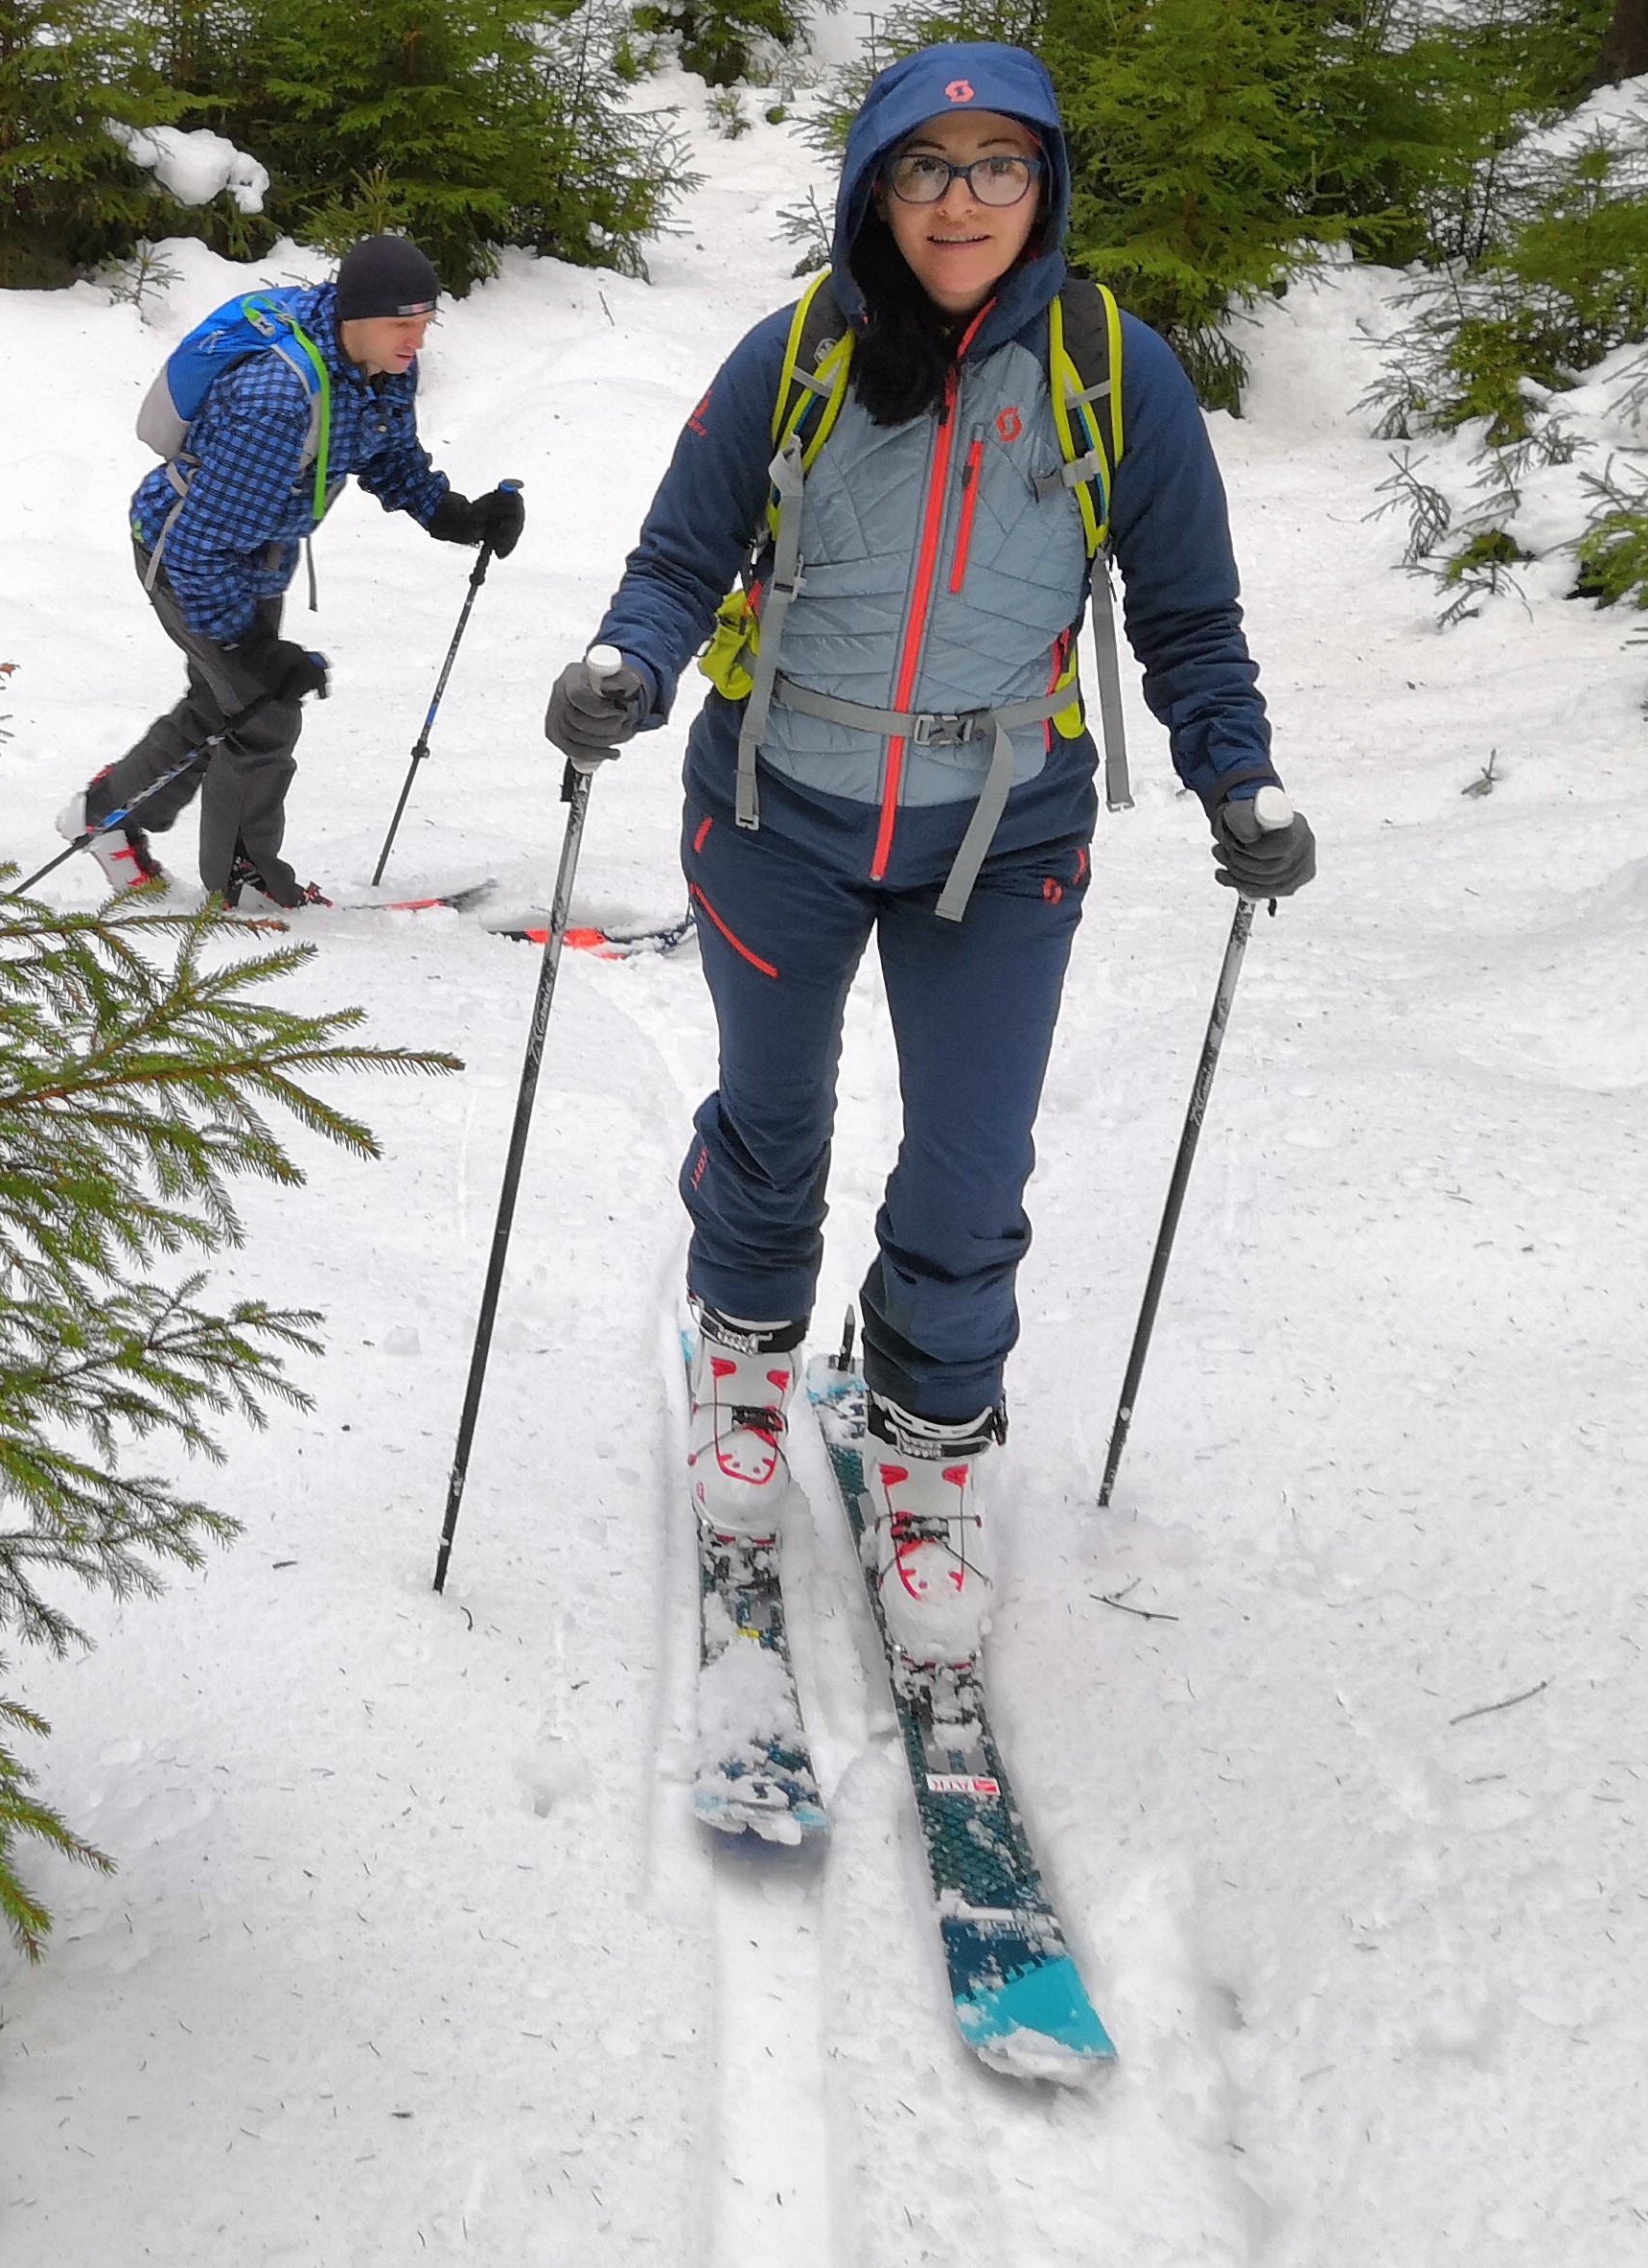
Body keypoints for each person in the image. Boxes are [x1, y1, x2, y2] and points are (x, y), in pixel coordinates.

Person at [544, 43, 1316, 1665]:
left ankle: (930, 1440)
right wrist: (629, 663)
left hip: (1004, 830)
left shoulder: (1113, 374)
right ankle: (744, 1357)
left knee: (970, 1169)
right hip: (774, 810)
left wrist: (1233, 777)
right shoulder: (795, 355)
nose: (958, 202)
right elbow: (679, 555)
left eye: (995, 167)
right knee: (771, 1123)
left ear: (1042, 187)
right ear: (872, 188)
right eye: (923, 167)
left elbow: (1187, 617)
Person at [59, 234, 525, 908]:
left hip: (256, 556)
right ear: (354, 316)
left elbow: (385, 450)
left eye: (426, 322)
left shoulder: (382, 364)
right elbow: (198, 547)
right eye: (402, 323)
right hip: (185, 559)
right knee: (262, 715)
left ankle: (105, 816)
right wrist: (252, 650)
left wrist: (452, 514)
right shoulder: (276, 399)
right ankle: (243, 885)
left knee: (224, 704)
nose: (417, 340)